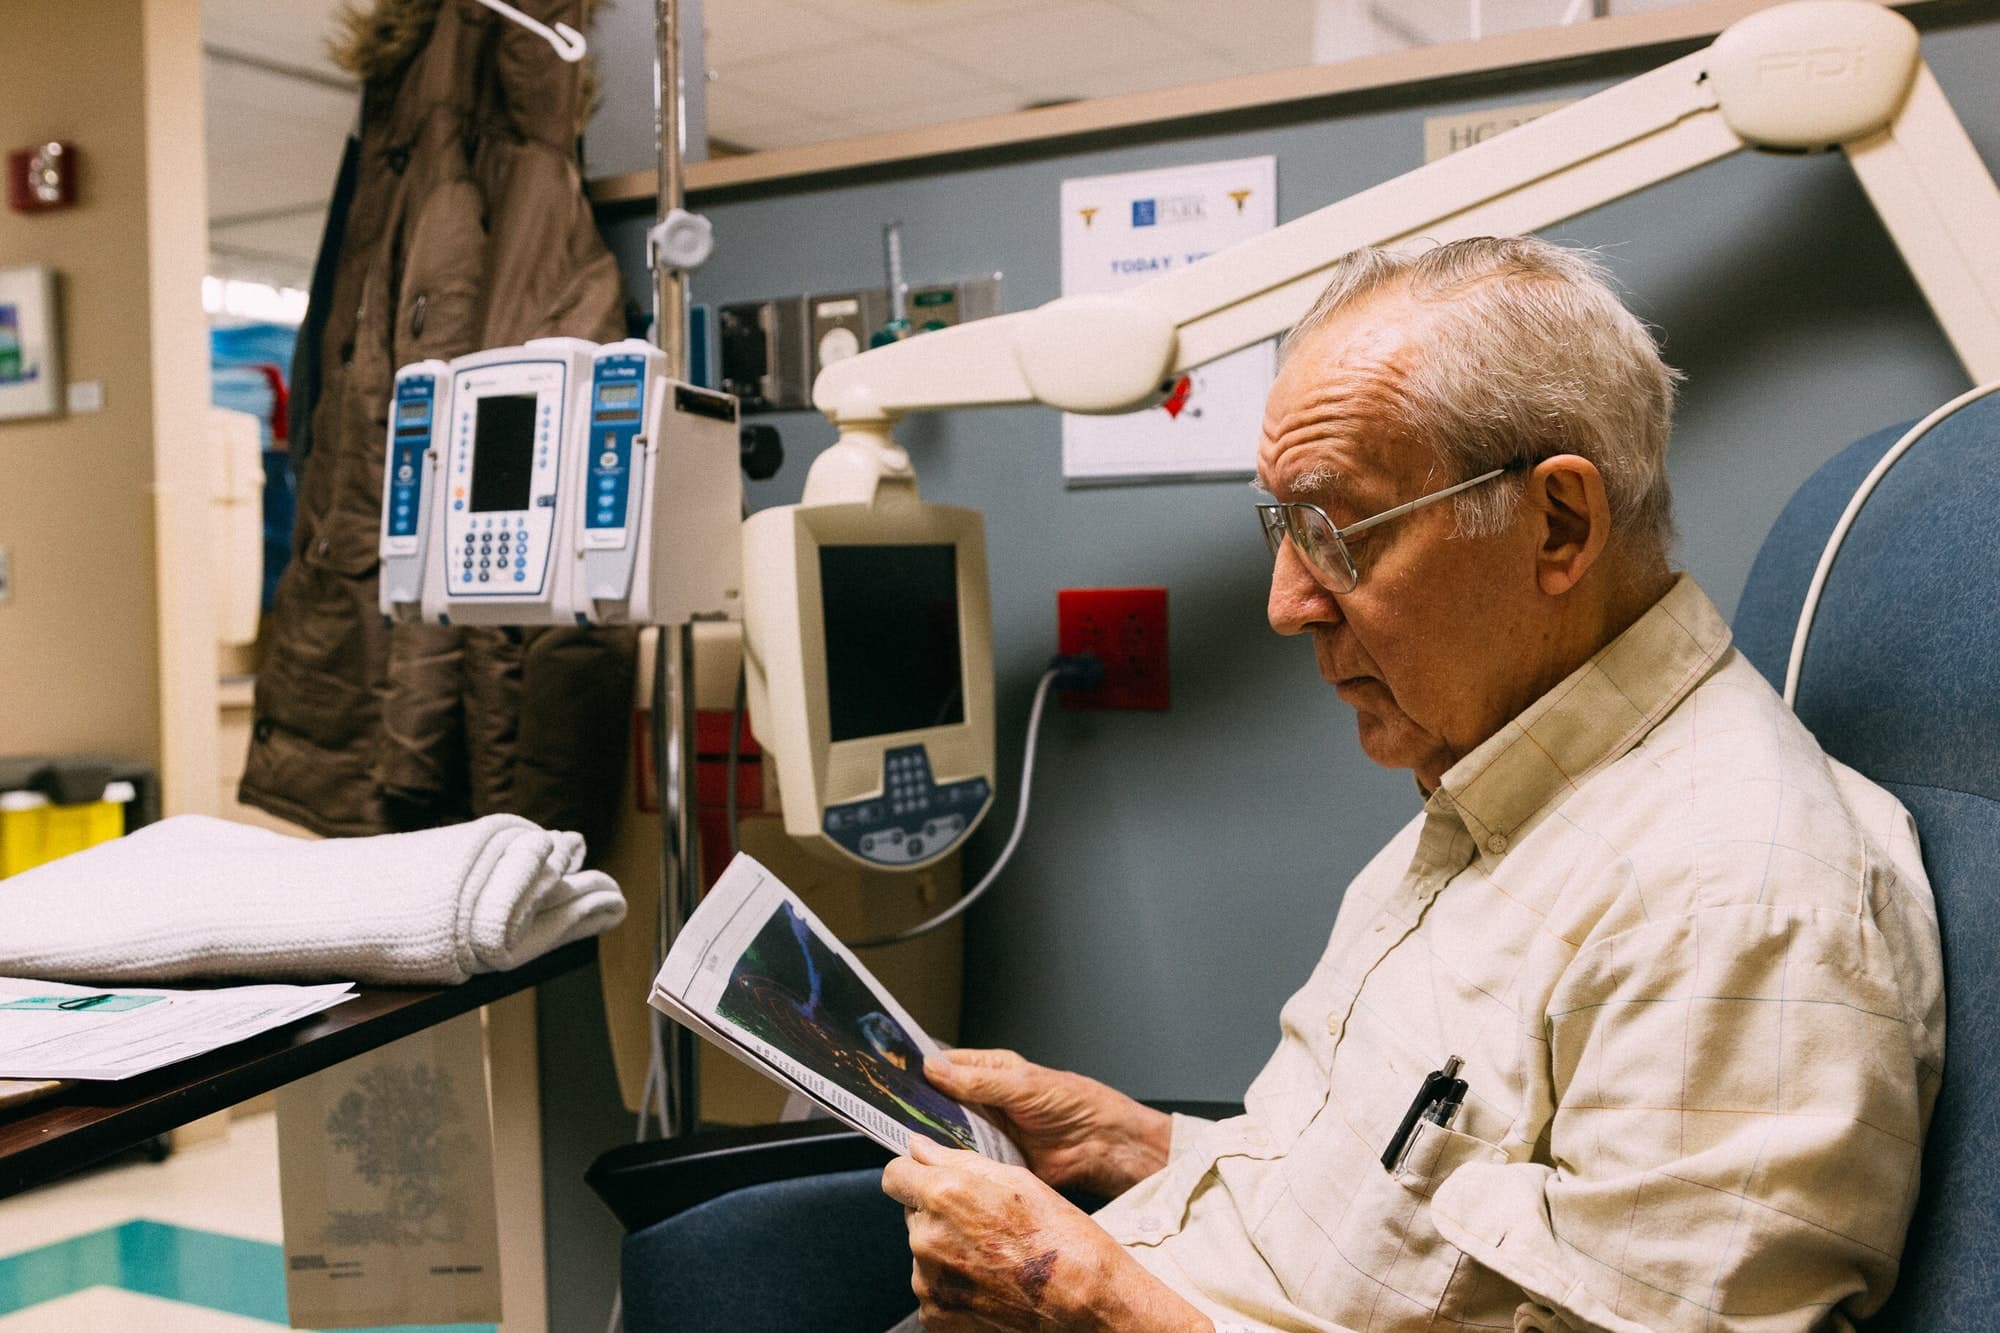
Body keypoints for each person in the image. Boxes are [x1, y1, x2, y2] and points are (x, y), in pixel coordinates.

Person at [879, 236, 1945, 1333]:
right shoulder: (1497, 781)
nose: (1286, 601)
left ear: (1557, 524)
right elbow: (1398, 1225)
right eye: (1282, 527)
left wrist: (1097, 1302)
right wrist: (1129, 1143)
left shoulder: (1730, 906)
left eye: (1335, 529)